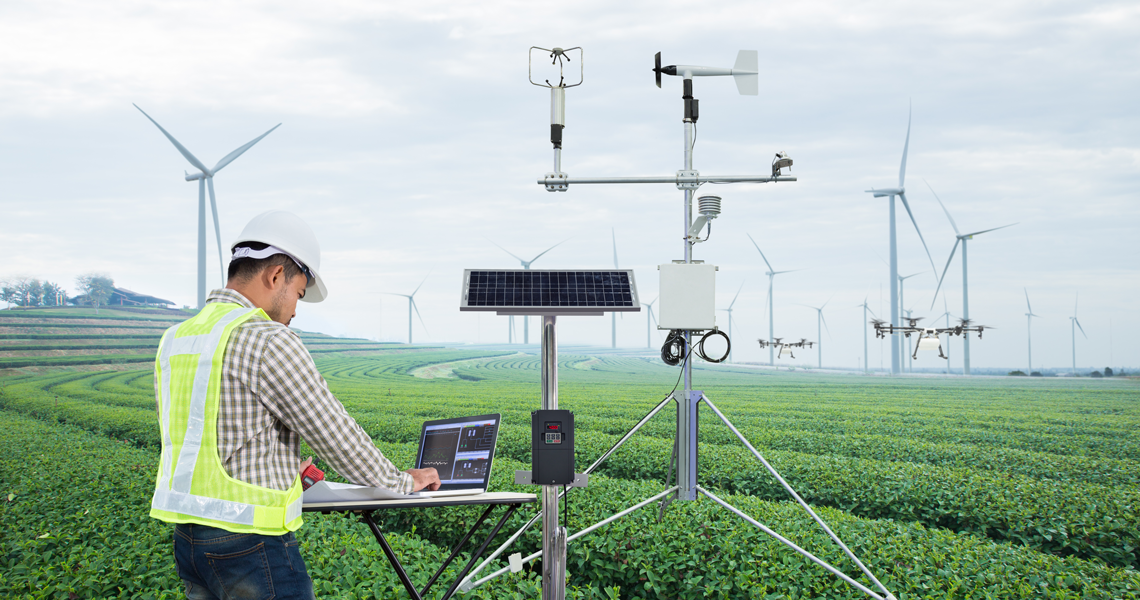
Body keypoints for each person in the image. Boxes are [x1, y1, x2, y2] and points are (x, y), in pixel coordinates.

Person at [150, 209, 440, 599]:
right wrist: (403, 482)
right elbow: (335, 434)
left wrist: (282, 462)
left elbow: (200, 433)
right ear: (275, 276)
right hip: (249, 542)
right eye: (299, 293)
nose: (295, 310)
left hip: (189, 540)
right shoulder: (266, 338)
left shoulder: (178, 338)